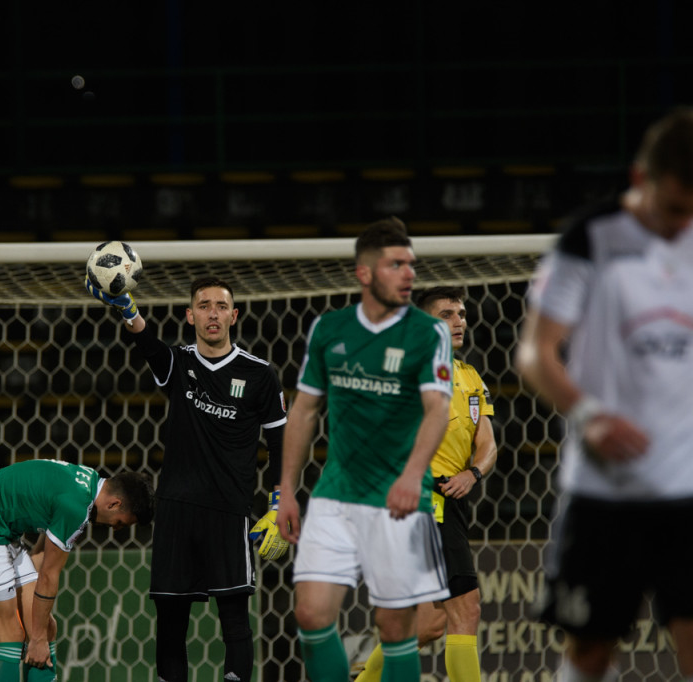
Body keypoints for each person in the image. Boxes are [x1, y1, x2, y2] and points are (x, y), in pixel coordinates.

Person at [515, 108, 693, 681]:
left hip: (686, 490)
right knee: (590, 654)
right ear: (641, 180)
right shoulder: (590, 239)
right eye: (672, 209)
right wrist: (589, 415)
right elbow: (535, 352)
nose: (680, 224)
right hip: (604, 493)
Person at [276, 216, 454, 682]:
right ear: (365, 273)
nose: (409, 274)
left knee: (395, 627)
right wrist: (287, 490)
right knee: (311, 614)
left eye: (411, 264)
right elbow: (304, 411)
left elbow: (437, 410)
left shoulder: (426, 333)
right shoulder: (329, 329)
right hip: (336, 494)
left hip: (399, 499)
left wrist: (413, 475)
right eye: (396, 265)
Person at [86, 274, 288, 682]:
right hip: (175, 511)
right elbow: (149, 345)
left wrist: (279, 503)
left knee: (234, 618)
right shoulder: (179, 363)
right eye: (203, 305)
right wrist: (127, 309)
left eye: (219, 306)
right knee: (171, 623)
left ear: (234, 315)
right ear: (190, 314)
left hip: (229, 512)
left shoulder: (261, 374)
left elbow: (281, 444)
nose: (211, 314)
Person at [355, 286, 497, 682]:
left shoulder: (469, 377)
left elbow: (487, 444)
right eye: (448, 314)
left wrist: (475, 473)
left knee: (433, 622)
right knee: (466, 608)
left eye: (463, 314)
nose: (459, 321)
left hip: (450, 499)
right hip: (423, 500)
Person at [0, 458, 155, 682]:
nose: (115, 528)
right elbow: (48, 574)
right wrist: (36, 640)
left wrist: (38, 635)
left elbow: (42, 555)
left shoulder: (88, 482)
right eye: (120, 522)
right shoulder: (76, 506)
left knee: (46, 629)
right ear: (114, 504)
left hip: (2, 533)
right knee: (10, 635)